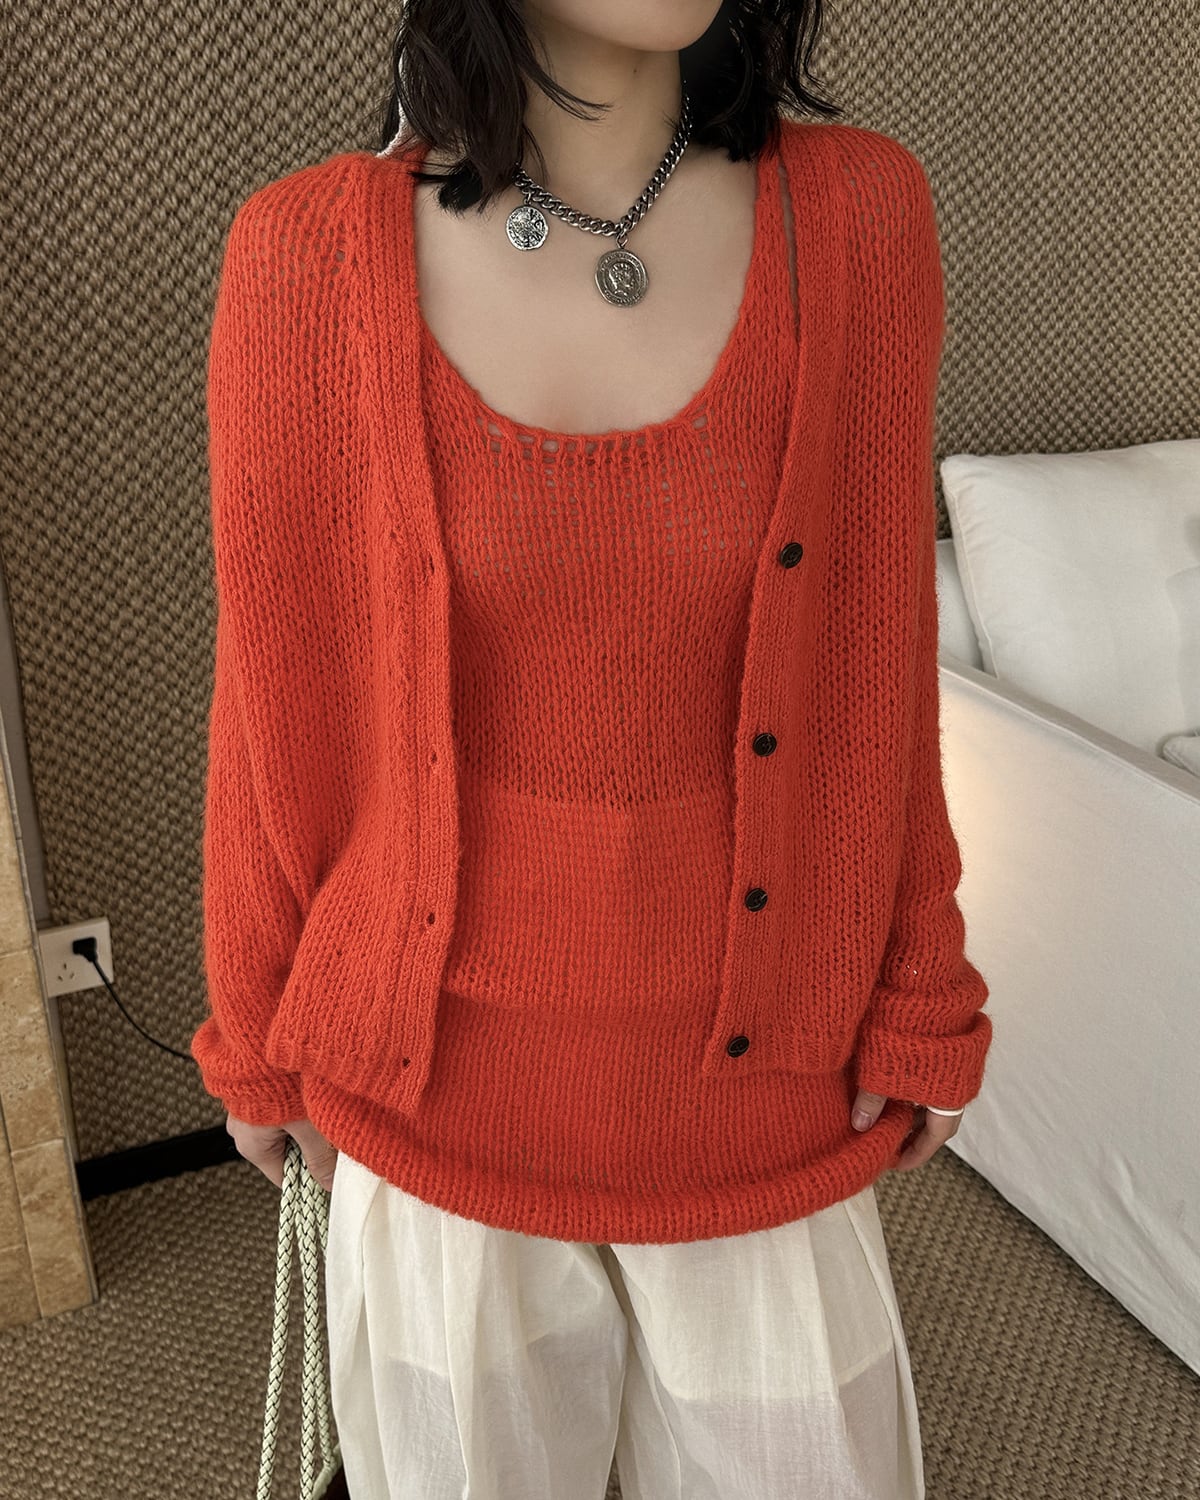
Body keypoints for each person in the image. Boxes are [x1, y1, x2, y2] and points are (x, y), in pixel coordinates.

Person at [193, 2, 993, 1496]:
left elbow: (878, 664)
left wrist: (924, 976)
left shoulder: (861, 217)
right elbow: (273, 697)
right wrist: (254, 1024)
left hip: (758, 1093)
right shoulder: (304, 257)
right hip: (433, 1096)